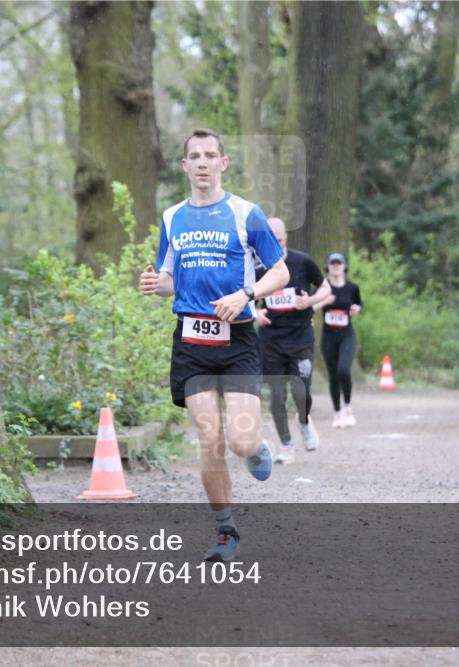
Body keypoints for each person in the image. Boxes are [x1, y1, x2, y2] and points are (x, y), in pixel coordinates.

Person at [139, 129, 289, 562]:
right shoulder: (172, 218)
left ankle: (257, 448)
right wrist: (155, 284)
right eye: (193, 156)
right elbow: (169, 280)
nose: (201, 162)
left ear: (223, 163)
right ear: (184, 166)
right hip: (191, 340)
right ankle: (226, 531)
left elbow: (279, 273)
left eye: (209, 155)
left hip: (238, 337)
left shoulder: (246, 214)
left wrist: (246, 295)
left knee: (241, 442)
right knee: (210, 438)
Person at [254, 218, 331, 463]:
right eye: (271, 239)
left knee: (301, 391)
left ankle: (304, 421)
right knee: (276, 396)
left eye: (280, 238)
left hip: (300, 339)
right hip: (271, 341)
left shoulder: (302, 262)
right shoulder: (259, 269)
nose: (276, 243)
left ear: (285, 237)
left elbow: (326, 288)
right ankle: (286, 444)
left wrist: (309, 302)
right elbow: (244, 296)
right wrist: (256, 313)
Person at [314, 253, 362, 428]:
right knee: (333, 374)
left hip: (347, 335)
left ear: (344, 266)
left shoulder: (352, 288)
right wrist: (323, 301)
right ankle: (337, 413)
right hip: (328, 337)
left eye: (338, 263)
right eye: (332, 263)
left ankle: (347, 406)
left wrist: (356, 309)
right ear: (328, 266)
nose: (335, 266)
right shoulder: (322, 287)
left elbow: (358, 304)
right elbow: (310, 306)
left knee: (343, 369)